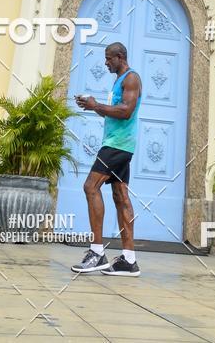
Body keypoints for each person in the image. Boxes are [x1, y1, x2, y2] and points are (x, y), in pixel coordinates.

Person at [71, 42, 142, 277]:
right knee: (120, 196)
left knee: (90, 187)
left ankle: (97, 252)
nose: (105, 62)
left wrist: (97, 105)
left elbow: (126, 111)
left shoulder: (131, 79)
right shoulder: (119, 81)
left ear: (120, 57)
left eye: (108, 58)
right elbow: (115, 110)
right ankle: (129, 260)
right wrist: (92, 106)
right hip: (120, 144)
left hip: (117, 145)